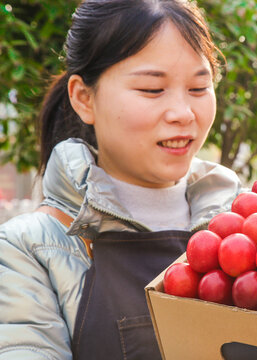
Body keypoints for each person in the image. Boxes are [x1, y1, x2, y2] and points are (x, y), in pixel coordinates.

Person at [0, 1, 244, 359]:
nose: (183, 113)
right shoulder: (32, 250)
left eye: (197, 88)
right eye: (151, 89)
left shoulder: (246, 227)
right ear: (84, 98)